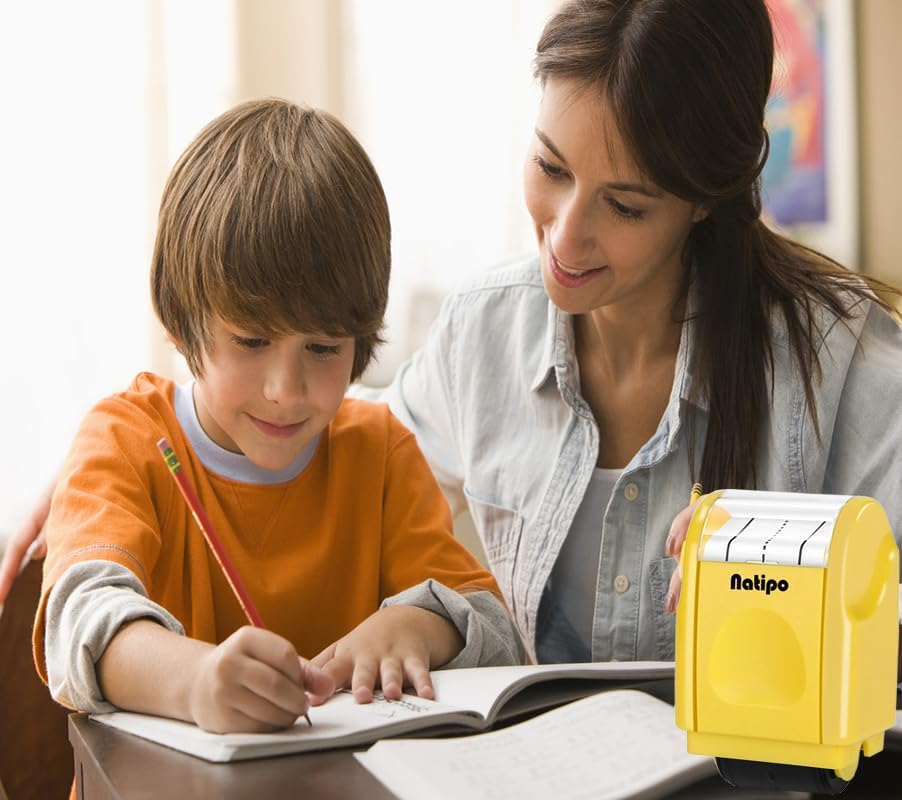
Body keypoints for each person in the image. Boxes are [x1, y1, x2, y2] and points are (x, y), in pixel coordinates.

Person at [7, 0, 902, 671]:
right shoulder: (485, 334)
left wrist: (793, 571)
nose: (563, 237)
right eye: (550, 167)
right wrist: (129, 437)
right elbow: (328, 417)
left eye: (624, 205)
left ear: (704, 200)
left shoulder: (849, 367)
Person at [29, 98, 523, 738]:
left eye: (323, 348)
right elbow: (78, 622)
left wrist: (417, 626)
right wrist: (196, 682)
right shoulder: (123, 442)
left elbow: (491, 625)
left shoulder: (378, 453)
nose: (286, 391)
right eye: (251, 341)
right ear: (183, 320)